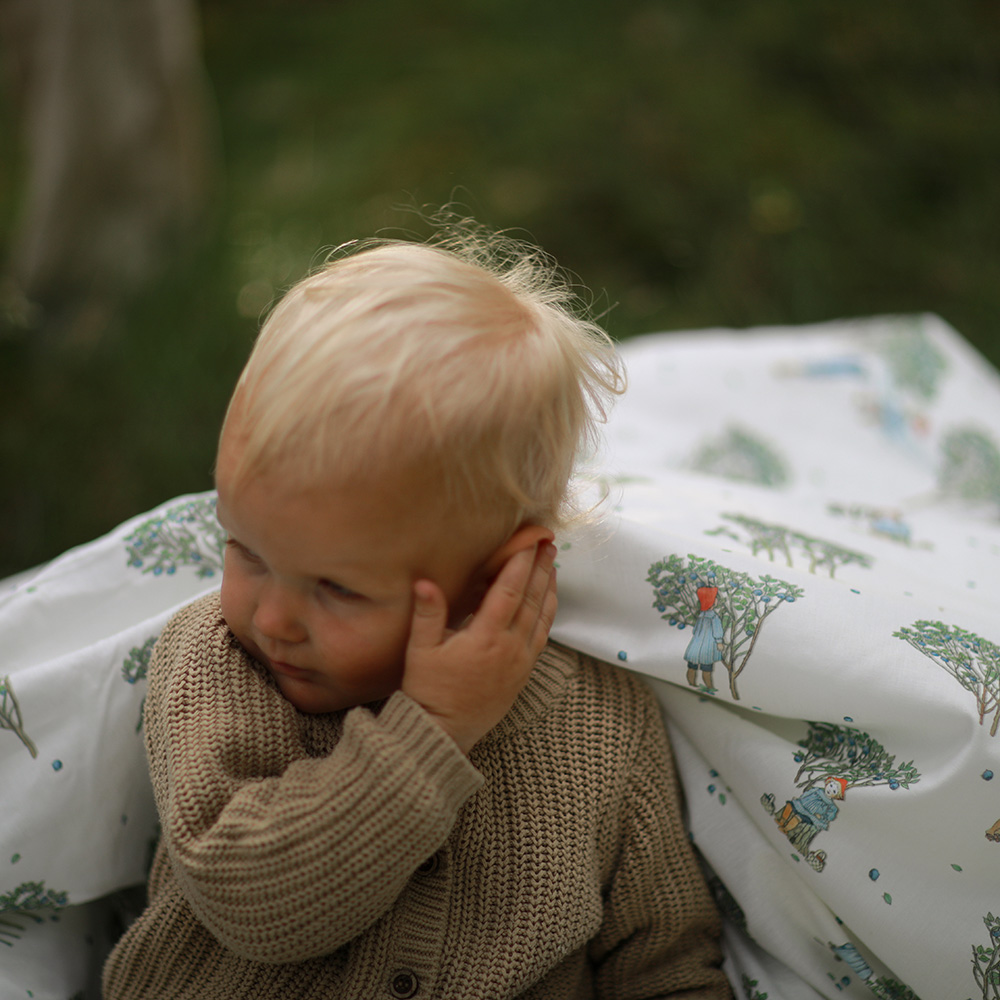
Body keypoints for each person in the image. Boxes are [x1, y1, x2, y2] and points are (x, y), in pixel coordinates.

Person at [102, 222, 733, 999]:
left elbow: (664, 962)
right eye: (247, 552)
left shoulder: (602, 726)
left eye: (338, 589)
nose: (274, 619)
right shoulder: (217, 664)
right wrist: (429, 734)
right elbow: (246, 897)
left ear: (499, 573)